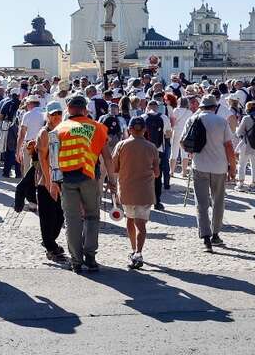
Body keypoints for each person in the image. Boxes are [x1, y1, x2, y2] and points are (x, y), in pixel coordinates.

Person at [51, 95, 112, 273]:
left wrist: (55, 183)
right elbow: (107, 157)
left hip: (67, 180)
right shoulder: (97, 127)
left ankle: (76, 261)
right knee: (92, 217)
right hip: (89, 177)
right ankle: (90, 258)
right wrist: (113, 180)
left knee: (72, 220)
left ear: (68, 109)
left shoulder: (58, 129)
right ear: (85, 109)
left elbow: (54, 162)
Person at [181, 94, 237, 253]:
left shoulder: (193, 119)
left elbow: (183, 143)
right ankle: (216, 233)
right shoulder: (221, 121)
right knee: (218, 201)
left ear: (201, 106)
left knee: (201, 203)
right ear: (215, 107)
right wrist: (232, 167)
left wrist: (193, 152)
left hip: (200, 165)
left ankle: (205, 237)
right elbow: (229, 147)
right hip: (219, 167)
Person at [113, 117, 160, 270]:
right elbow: (157, 172)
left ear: (130, 129)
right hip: (145, 191)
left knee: (130, 219)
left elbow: (115, 168)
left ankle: (134, 249)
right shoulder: (152, 147)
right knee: (141, 223)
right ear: (145, 130)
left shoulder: (121, 145)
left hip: (127, 190)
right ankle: (138, 252)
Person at [29, 101, 67, 261]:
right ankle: (51, 246)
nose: (56, 116)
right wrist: (49, 181)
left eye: (59, 113)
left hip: (59, 179)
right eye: (53, 114)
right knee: (48, 216)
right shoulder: (45, 133)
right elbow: (43, 160)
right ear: (48, 116)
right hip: (46, 180)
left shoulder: (61, 130)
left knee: (59, 216)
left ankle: (49, 243)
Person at [143, 100, 172, 210]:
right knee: (157, 175)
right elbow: (168, 134)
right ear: (157, 107)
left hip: (145, 151)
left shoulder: (143, 117)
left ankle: (145, 201)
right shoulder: (164, 118)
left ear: (148, 107)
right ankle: (157, 201)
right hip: (159, 150)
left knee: (144, 176)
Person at [235, 101, 255, 191]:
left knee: (242, 164)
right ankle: (254, 184)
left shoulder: (246, 118)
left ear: (247, 108)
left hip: (246, 144)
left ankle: (241, 183)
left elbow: (239, 132)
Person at [16, 95, 46, 180]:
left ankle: (29, 191)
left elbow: (22, 135)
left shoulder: (28, 115)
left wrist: (18, 151)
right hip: (43, 145)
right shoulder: (45, 113)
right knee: (41, 170)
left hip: (30, 145)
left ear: (29, 104)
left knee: (28, 171)